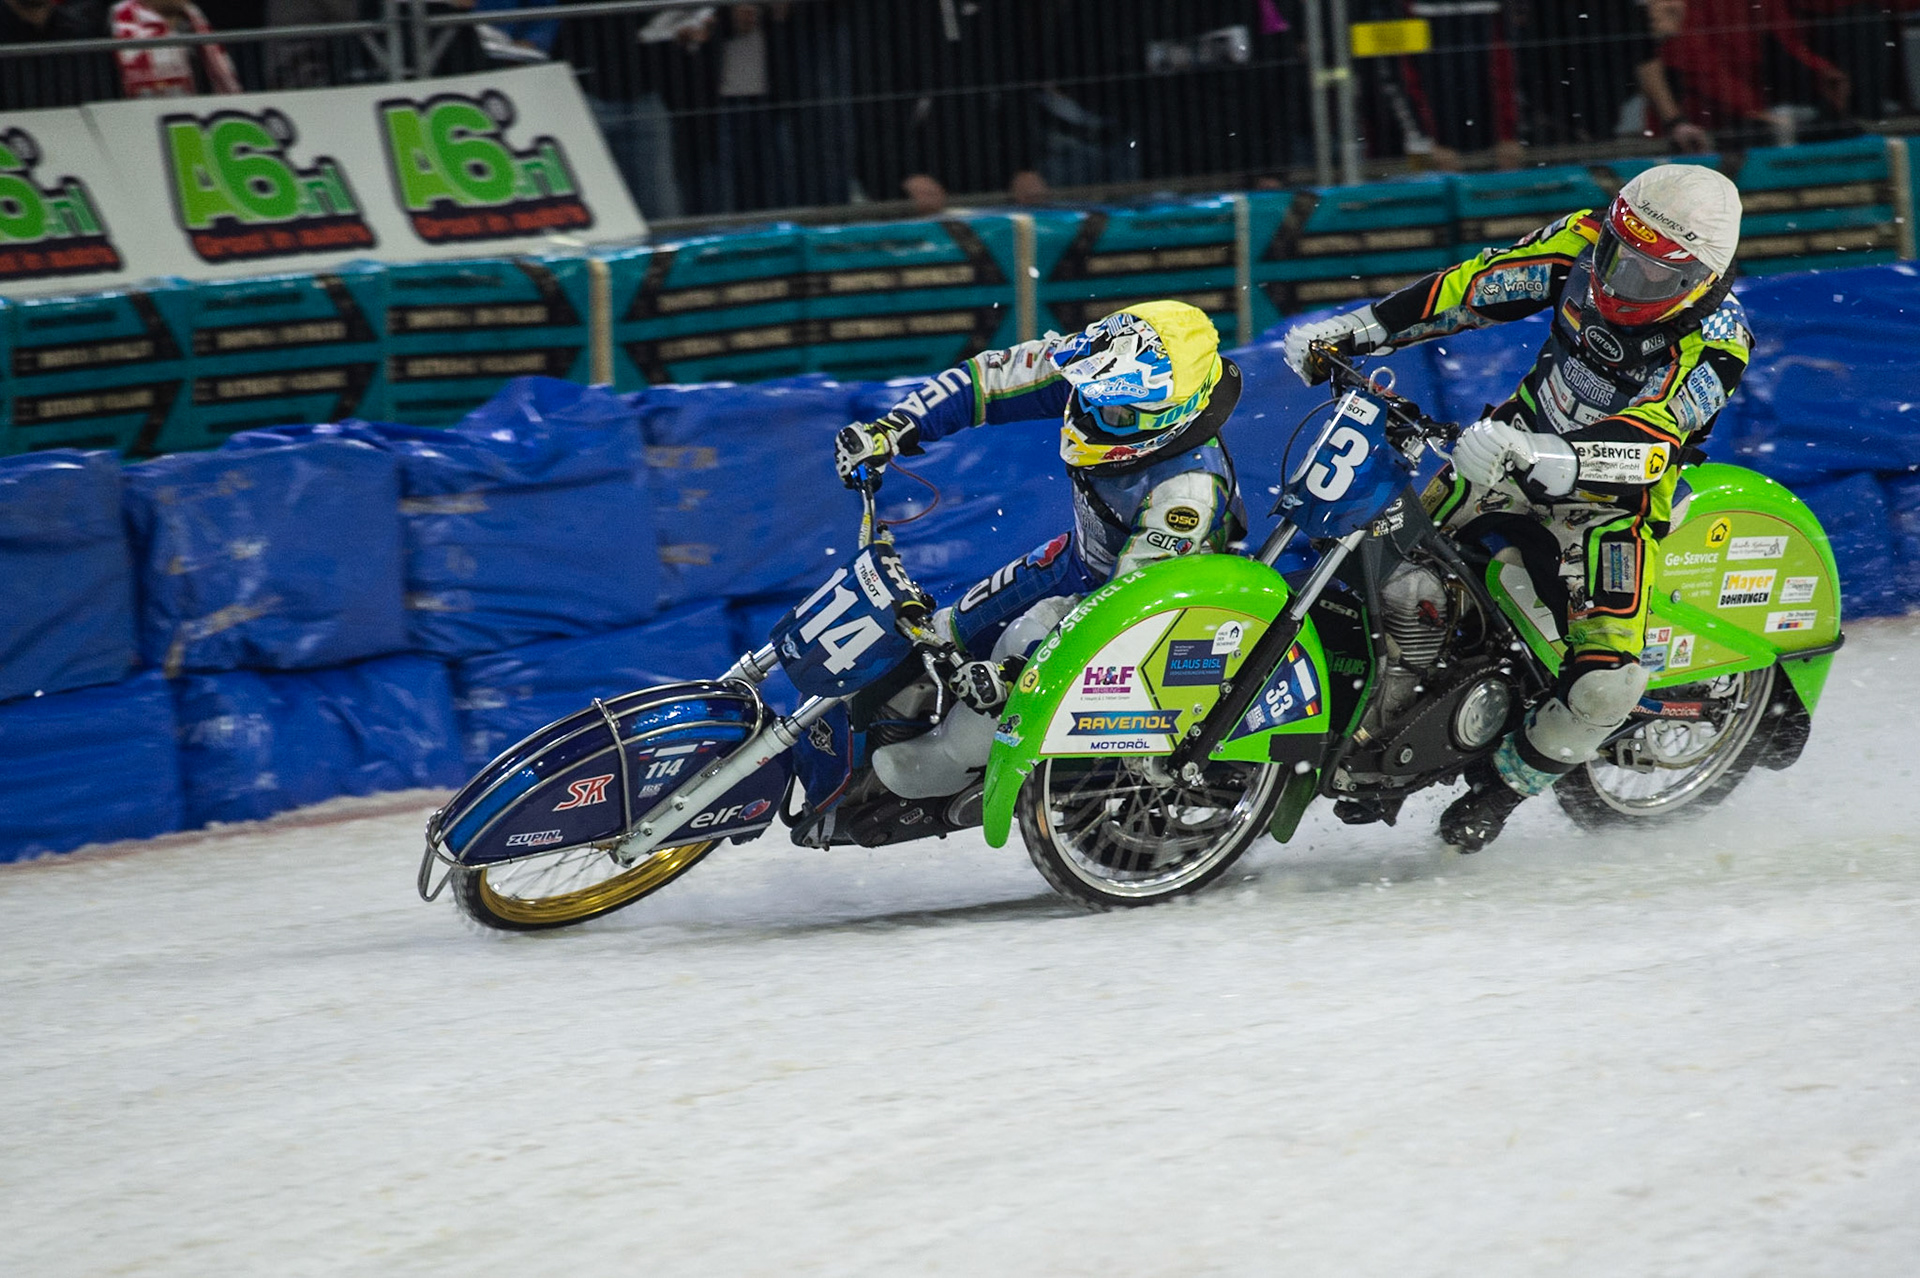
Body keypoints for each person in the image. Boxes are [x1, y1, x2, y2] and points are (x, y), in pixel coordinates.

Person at [1281, 165, 1751, 852]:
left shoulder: (1718, 342)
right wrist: (1358, 329)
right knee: (1371, 565)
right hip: (1499, 455)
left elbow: (1655, 441)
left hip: (1608, 509)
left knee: (1605, 687)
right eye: (1619, 257)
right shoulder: (1581, 242)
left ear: (1701, 280)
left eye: (1655, 277)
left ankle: (1501, 790)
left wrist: (1554, 458)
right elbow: (1474, 287)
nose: (1622, 283)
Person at [833, 300, 1247, 696]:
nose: (1089, 413)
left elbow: (1129, 610)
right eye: (1089, 394)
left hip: (1154, 618)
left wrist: (1019, 673)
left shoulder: (1188, 493)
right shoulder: (1089, 368)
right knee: (939, 639)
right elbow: (988, 378)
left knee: (999, 684)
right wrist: (894, 427)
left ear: (1170, 417)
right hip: (1078, 562)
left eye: (1116, 412)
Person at [109, 0, 241, 96]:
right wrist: (169, 29)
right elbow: (129, 56)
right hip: (142, 103)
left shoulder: (192, 14)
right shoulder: (123, 13)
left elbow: (218, 62)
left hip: (191, 100)